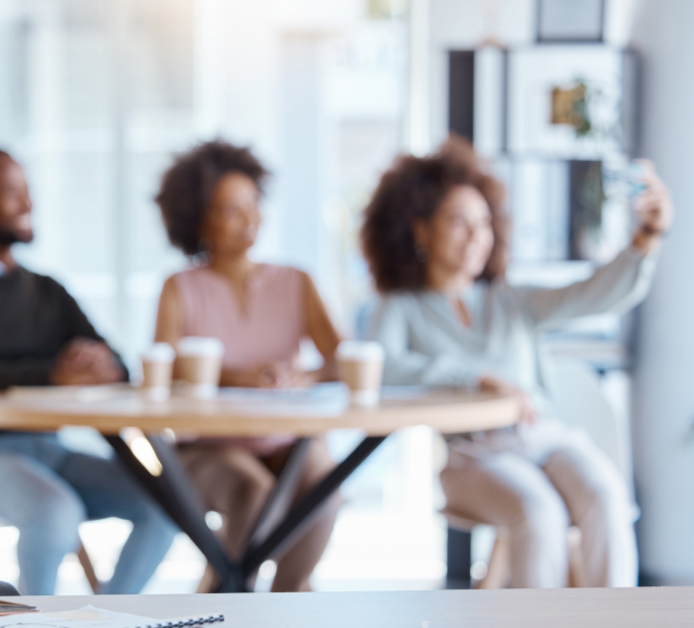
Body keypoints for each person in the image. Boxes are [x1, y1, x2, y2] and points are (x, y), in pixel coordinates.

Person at [361, 137, 672, 588]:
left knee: (605, 494)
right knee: (539, 512)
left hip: (543, 436)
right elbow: (384, 370)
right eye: (458, 222)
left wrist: (647, 237)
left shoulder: (510, 300)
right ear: (420, 229)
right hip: (473, 456)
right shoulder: (401, 306)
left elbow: (594, 295)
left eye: (484, 223)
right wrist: (476, 378)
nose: (476, 236)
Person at [0, 148, 177, 595]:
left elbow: (115, 363)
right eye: (11, 193)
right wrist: (52, 374)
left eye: (28, 191)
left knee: (165, 503)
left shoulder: (47, 289)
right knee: (55, 511)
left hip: (52, 450)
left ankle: (111, 619)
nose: (28, 203)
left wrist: (99, 365)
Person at [152, 140, 342, 592]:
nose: (249, 219)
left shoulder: (296, 281)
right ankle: (228, 595)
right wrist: (236, 377)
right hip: (209, 445)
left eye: (254, 204)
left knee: (324, 484)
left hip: (284, 440)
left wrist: (303, 376)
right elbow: (166, 368)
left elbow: (342, 360)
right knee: (252, 494)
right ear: (199, 219)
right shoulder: (180, 288)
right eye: (230, 210)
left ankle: (286, 599)